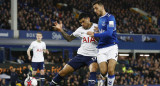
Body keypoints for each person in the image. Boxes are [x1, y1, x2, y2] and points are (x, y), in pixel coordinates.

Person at [50, 13, 98, 86]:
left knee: (93, 70)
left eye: (83, 21)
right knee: (62, 72)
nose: (82, 24)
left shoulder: (97, 27)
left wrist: (96, 35)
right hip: (81, 55)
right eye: (80, 22)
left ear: (88, 19)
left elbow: (106, 39)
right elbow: (69, 38)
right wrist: (61, 30)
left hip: (93, 56)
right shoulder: (80, 30)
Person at [87, 1, 118, 86]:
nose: (95, 10)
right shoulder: (100, 19)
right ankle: (104, 79)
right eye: (94, 9)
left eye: (96, 8)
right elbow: (103, 32)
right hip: (101, 48)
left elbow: (109, 33)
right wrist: (98, 31)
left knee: (111, 69)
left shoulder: (111, 18)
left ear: (102, 7)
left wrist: (94, 34)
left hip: (112, 46)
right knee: (103, 72)